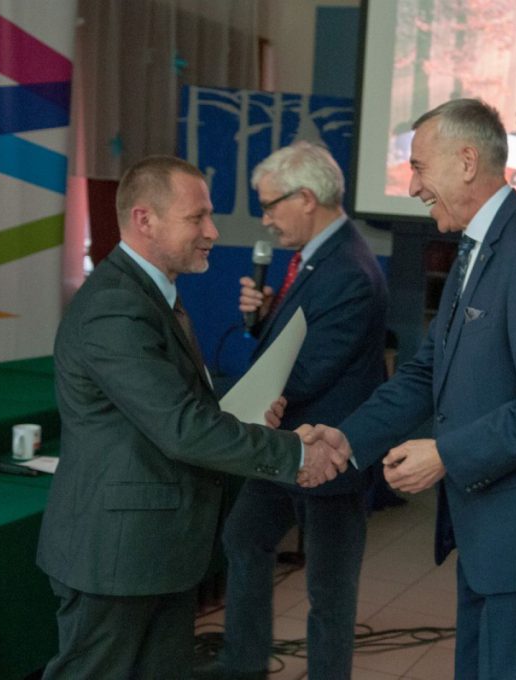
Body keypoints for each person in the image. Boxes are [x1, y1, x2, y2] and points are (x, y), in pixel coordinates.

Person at [303, 99, 516, 679]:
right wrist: (347, 441)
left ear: (468, 161)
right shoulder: (475, 246)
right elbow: (427, 372)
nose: (411, 187)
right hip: (487, 531)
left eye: (419, 167)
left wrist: (446, 454)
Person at [36, 155, 347, 680]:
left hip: (154, 550)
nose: (212, 232)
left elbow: (170, 405)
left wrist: (244, 415)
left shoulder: (150, 294)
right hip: (117, 556)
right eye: (196, 217)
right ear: (144, 220)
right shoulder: (116, 306)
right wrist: (297, 454)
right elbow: (181, 428)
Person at [197, 141, 388, 680]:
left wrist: (246, 400)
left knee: (329, 588)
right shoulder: (319, 256)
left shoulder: (349, 267)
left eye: (270, 205)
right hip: (286, 443)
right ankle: (244, 663)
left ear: (306, 198)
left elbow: (311, 368)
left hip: (330, 451)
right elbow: (297, 341)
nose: (265, 219)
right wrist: (264, 318)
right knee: (244, 538)